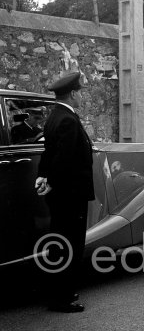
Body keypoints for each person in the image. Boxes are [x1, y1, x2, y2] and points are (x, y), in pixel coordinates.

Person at [35, 72, 95, 313]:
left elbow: (49, 153)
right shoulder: (68, 119)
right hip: (71, 193)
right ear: (72, 94)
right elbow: (64, 158)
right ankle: (63, 297)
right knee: (71, 243)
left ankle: (58, 292)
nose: (81, 96)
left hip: (61, 192)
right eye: (80, 92)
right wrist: (53, 180)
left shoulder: (55, 117)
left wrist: (43, 176)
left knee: (60, 242)